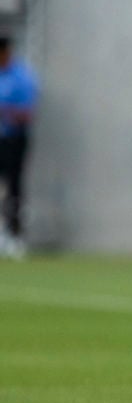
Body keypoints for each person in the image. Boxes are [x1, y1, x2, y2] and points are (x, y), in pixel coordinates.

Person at [0, 35, 38, 259]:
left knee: (14, 186)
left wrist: (4, 111)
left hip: (13, 138)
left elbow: (27, 114)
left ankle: (15, 235)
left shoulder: (22, 77)